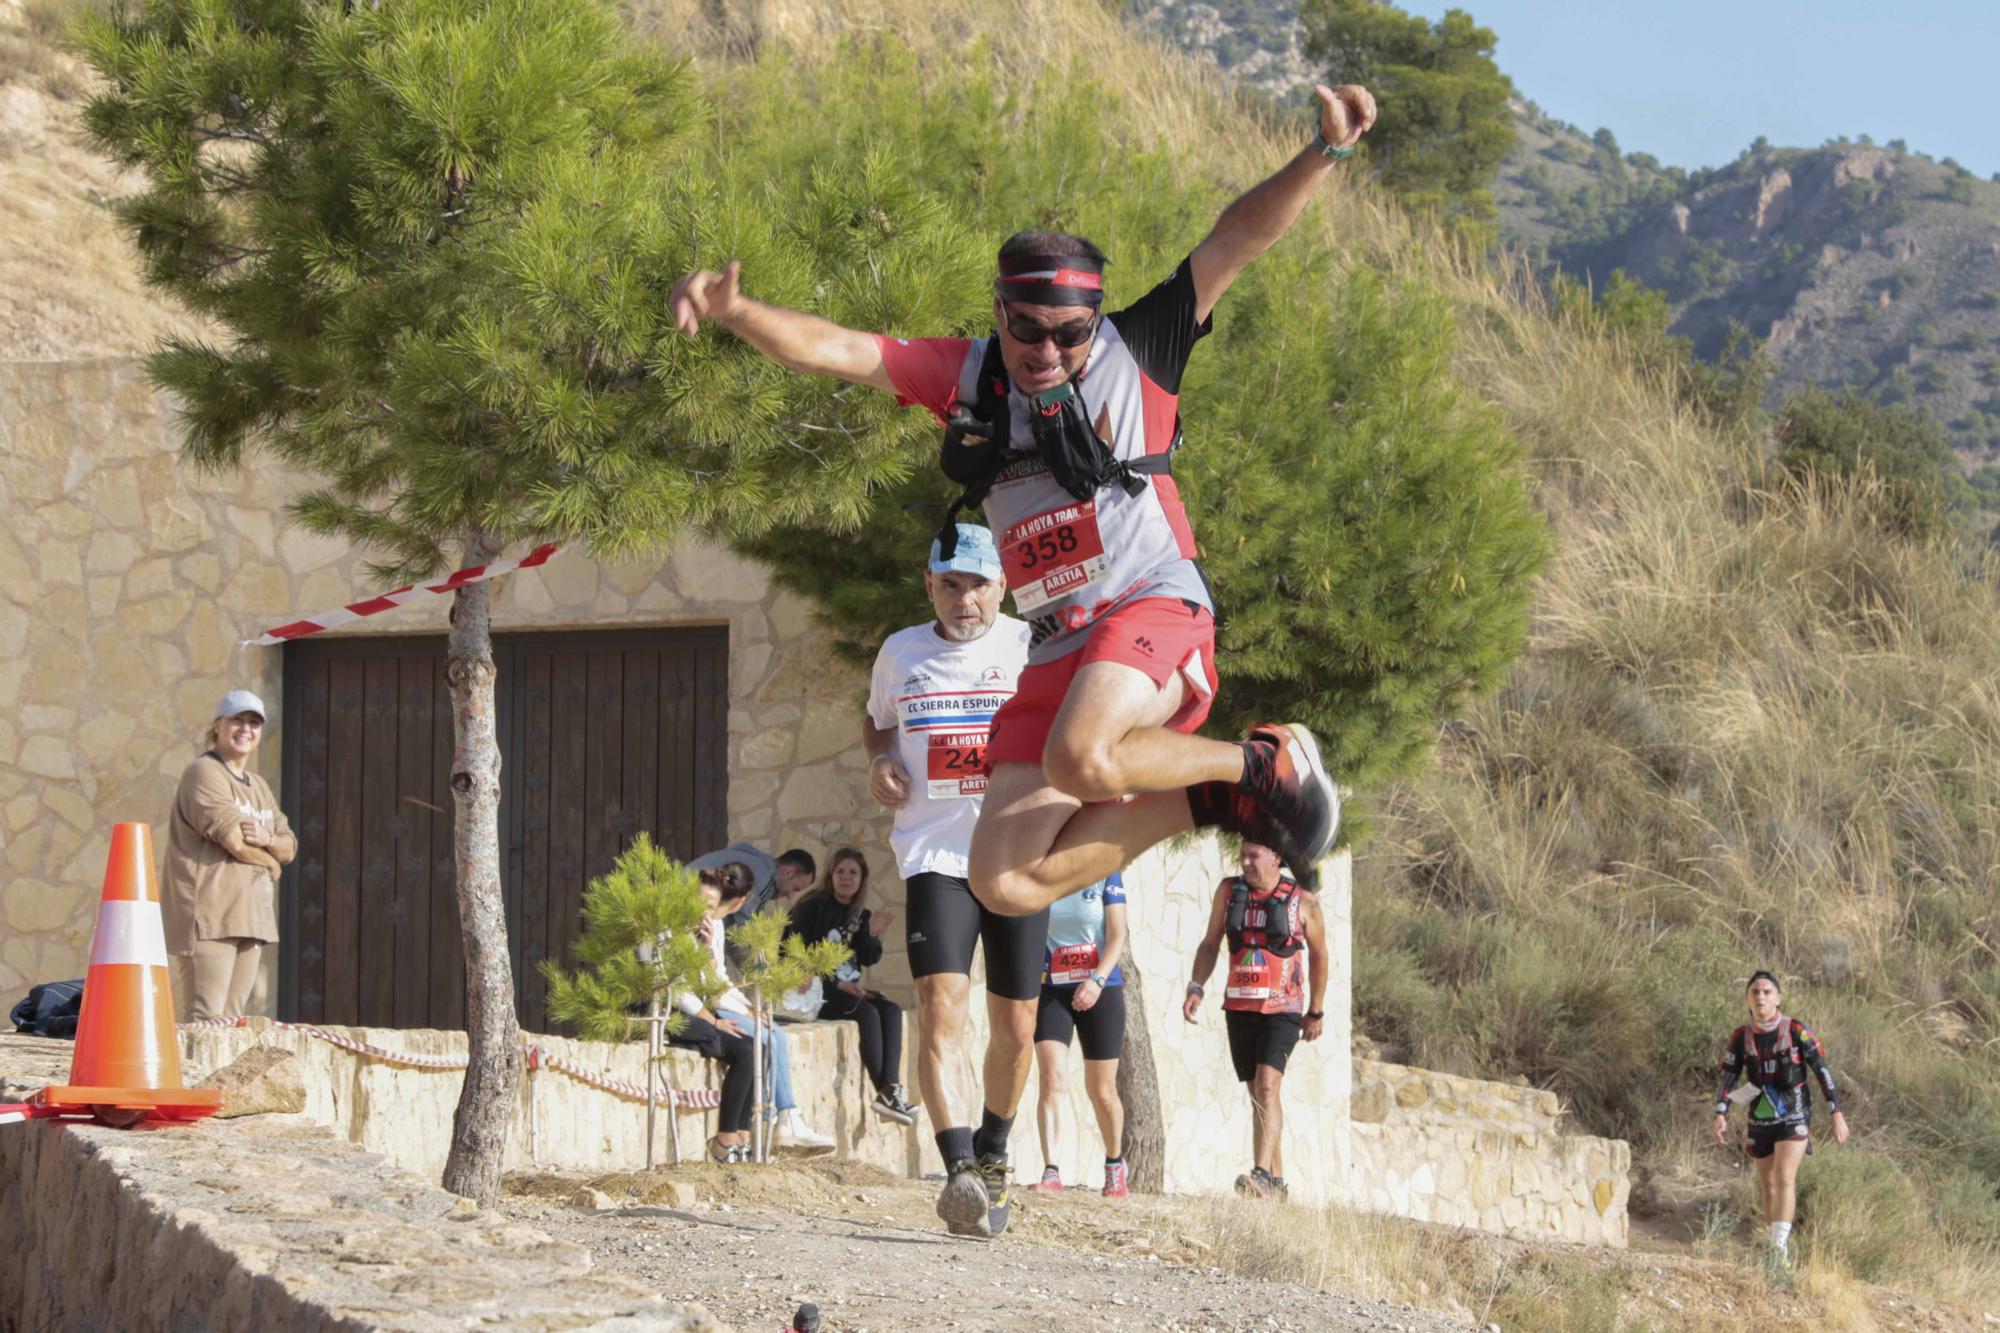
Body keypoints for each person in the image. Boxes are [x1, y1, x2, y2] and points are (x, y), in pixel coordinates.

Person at [667, 84, 1377, 924]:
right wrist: (737, 311)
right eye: (1028, 327)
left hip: (1150, 600)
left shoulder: (1137, 349)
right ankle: (1218, 801)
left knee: (1082, 758)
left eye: (1069, 332)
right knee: (1003, 882)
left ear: (1095, 321)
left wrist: (1323, 154)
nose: (1048, 349)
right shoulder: (968, 376)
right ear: (999, 310)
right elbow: (841, 350)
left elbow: (1237, 238)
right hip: (1055, 643)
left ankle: (1261, 764)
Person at [850, 527, 1042, 1237]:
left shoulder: (1029, 646)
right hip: (936, 852)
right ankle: (958, 1167)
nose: (967, 600)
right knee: (939, 1003)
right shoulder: (900, 653)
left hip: (1018, 851)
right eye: (952, 584)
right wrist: (878, 762)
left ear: (1004, 586)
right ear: (929, 584)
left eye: (980, 584)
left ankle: (993, 1151)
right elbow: (877, 726)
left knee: (1016, 1026)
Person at [1183, 840, 1327, 1201]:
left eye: (1254, 855)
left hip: (1283, 1008)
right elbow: (1210, 942)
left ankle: (1260, 1173)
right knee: (1259, 1096)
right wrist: (1196, 986)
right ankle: (1275, 1184)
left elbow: (1321, 957)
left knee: (1267, 1086)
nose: (1245, 862)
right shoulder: (1229, 891)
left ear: (1277, 857)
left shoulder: (1303, 901)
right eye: (1242, 855)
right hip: (1240, 1006)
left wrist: (1316, 1010)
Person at [678, 868, 835, 1158]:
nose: (705, 912)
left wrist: (750, 1008)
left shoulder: (716, 927)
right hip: (703, 1010)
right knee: (766, 1040)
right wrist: (739, 1012)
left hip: (715, 1004)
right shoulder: (685, 930)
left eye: (710, 906)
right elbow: (705, 989)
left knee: (772, 1035)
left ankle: (781, 1118)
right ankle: (776, 1119)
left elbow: (720, 980)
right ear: (743, 900)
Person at [162, 689, 297, 1020]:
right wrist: (269, 859)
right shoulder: (204, 772)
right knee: (206, 1021)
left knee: (232, 1021)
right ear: (218, 725)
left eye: (253, 722)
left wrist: (267, 838)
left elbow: (289, 846)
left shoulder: (259, 786)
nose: (245, 729)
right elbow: (235, 841)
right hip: (210, 916)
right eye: (237, 720)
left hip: (252, 918)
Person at [1713, 970, 1849, 1273]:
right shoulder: (1741, 1036)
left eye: (1767, 991)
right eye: (1755, 992)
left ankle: (1778, 1250)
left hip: (1794, 1114)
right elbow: (1729, 1076)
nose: (1761, 997)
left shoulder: (1796, 1030)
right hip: (1760, 1117)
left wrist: (1835, 1112)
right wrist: (1721, 1112)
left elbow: (1822, 1070)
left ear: (1778, 998)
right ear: (1747, 999)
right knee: (1768, 1184)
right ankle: (1775, 1245)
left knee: (1785, 1175)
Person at [784, 847, 916, 1125]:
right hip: (816, 991)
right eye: (840, 871)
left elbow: (868, 958)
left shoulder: (861, 914)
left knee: (889, 1009)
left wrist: (871, 934)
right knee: (867, 1013)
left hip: (848, 990)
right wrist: (836, 983)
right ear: (830, 875)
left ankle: (890, 1090)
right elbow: (789, 951)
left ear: (862, 878)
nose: (846, 878)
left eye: (853, 872)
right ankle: (887, 1094)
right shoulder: (811, 907)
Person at [1028, 873, 1129, 1198]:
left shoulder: (1105, 873)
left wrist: (1097, 981)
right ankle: (1051, 1170)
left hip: (1101, 988)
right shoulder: (1044, 872)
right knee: (1051, 1078)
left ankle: (1115, 1166)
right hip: (1051, 988)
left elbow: (1117, 935)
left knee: (1102, 1090)